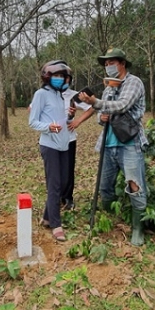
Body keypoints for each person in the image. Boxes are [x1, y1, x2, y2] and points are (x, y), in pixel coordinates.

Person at [78, 48, 149, 246]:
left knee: (135, 185)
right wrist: (100, 117)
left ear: (122, 63)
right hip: (108, 144)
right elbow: (103, 117)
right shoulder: (108, 88)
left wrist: (96, 102)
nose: (108, 66)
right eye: (106, 64)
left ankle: (138, 228)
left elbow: (122, 105)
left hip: (130, 144)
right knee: (104, 185)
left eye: (112, 62)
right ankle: (109, 216)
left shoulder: (134, 82)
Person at [29, 60, 72, 242]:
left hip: (63, 144)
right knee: (54, 185)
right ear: (47, 76)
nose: (59, 79)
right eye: (56, 75)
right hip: (49, 145)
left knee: (62, 184)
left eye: (62, 76)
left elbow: (60, 120)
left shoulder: (60, 96)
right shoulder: (41, 94)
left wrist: (69, 115)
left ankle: (47, 217)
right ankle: (56, 225)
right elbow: (33, 122)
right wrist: (49, 127)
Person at [62, 78, 95, 211]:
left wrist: (77, 121)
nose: (62, 80)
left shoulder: (74, 96)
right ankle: (56, 197)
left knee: (68, 169)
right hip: (50, 140)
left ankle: (68, 198)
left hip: (68, 139)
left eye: (66, 78)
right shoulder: (46, 94)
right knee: (54, 170)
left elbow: (92, 107)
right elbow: (31, 108)